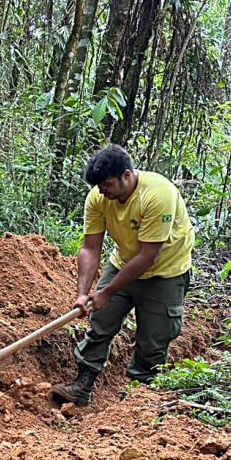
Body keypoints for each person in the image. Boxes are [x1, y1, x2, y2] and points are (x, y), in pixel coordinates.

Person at [52, 144, 194, 406]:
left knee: (153, 339)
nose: (102, 191)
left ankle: (138, 401)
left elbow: (148, 255)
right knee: (100, 322)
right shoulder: (99, 197)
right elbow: (90, 247)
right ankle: (83, 385)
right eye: (99, 186)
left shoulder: (157, 195)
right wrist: (83, 293)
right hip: (124, 262)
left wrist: (107, 291)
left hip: (165, 272)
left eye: (107, 185)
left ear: (127, 176)